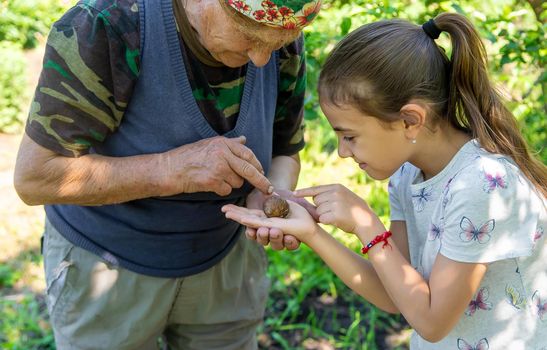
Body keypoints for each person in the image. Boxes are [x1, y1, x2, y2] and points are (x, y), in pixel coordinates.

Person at [223, 12, 547, 349]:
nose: (341, 153)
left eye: (349, 136)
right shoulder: (407, 175)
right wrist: (313, 234)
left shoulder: (483, 184)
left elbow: (432, 321)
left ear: (410, 120)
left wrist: (367, 226)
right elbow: (396, 294)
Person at [13, 0, 321, 348]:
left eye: (277, 43)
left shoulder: (280, 26)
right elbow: (35, 177)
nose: (262, 59)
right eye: (250, 36)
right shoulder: (106, 25)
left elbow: (285, 149)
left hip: (224, 260)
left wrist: (270, 194)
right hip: (108, 265)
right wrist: (172, 170)